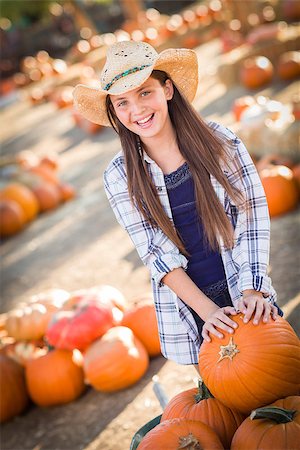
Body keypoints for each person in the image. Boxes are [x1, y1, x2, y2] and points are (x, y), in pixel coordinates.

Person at [73, 40, 283, 366]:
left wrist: (252, 291)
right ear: (114, 111)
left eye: (145, 92)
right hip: (195, 311)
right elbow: (157, 255)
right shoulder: (119, 176)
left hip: (244, 289)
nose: (137, 110)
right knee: (227, 399)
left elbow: (251, 215)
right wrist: (209, 313)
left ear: (167, 89)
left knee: (278, 381)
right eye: (122, 102)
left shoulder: (219, 141)